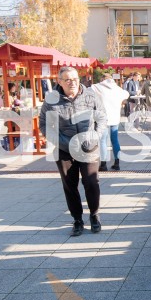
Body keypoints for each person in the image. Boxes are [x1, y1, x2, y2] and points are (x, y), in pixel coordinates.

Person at [39, 67, 107, 236]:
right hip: (64, 148)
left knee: (91, 183)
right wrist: (61, 142)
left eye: (75, 79)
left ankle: (94, 215)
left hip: (88, 147)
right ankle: (77, 219)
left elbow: (102, 118)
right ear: (59, 81)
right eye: (68, 80)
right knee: (70, 186)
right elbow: (44, 124)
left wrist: (95, 137)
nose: (72, 83)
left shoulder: (91, 96)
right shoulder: (51, 100)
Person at [90, 75, 129, 171]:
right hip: (115, 118)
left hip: (103, 119)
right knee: (115, 140)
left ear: (103, 79)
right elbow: (127, 94)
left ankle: (103, 164)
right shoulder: (118, 89)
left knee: (103, 141)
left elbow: (90, 88)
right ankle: (117, 163)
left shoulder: (98, 87)